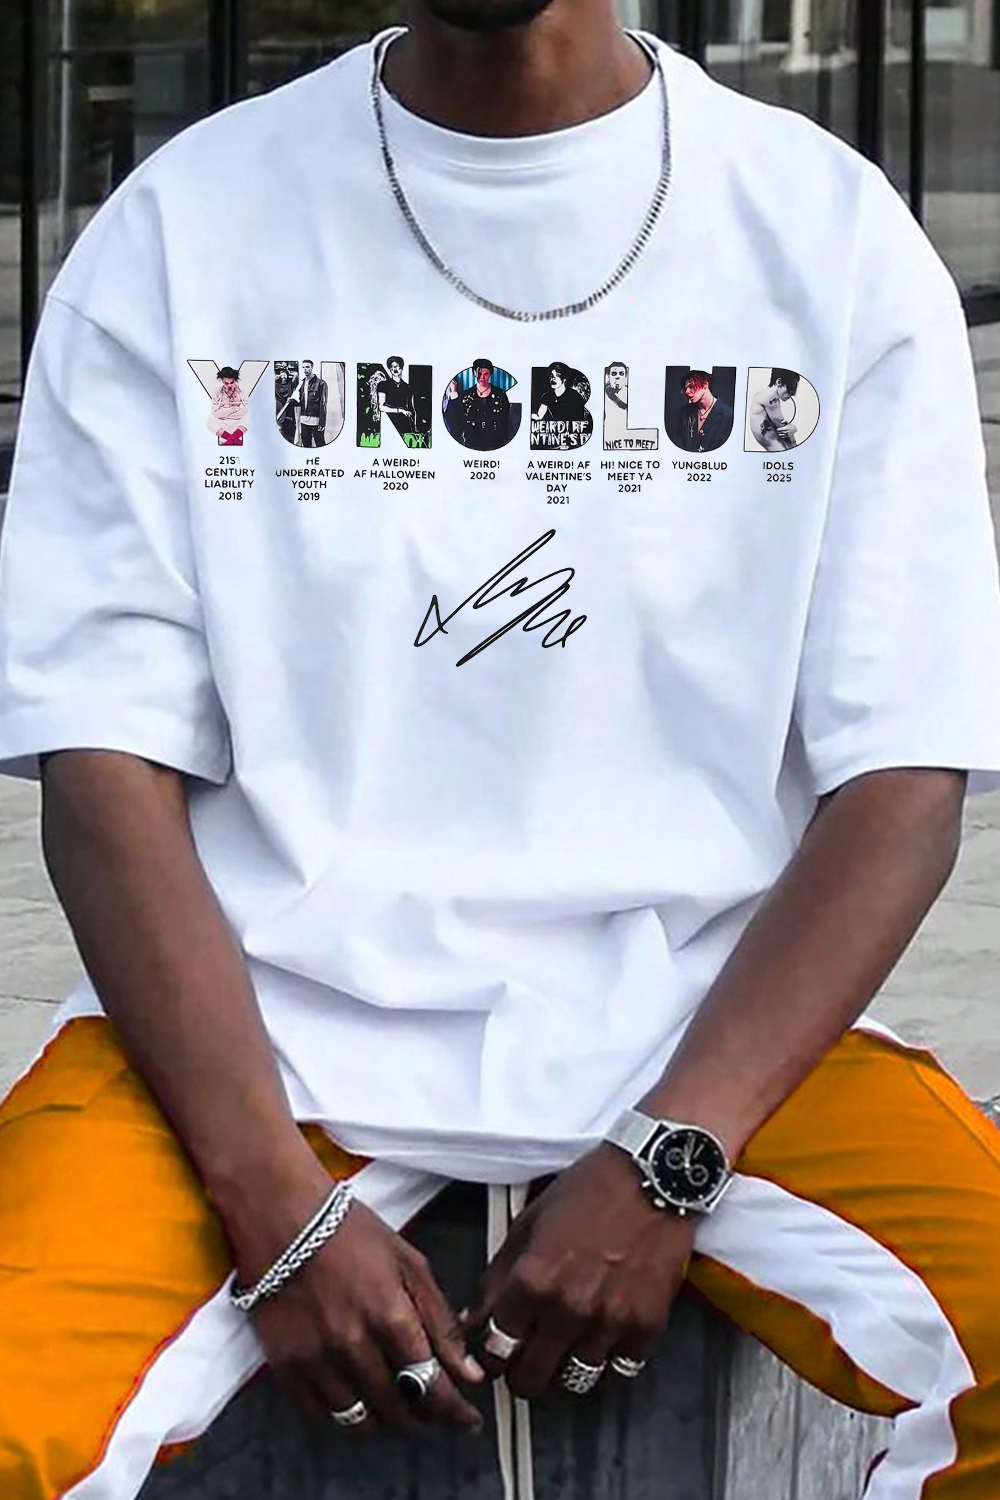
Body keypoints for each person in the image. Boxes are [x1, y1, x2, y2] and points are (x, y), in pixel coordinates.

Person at [0, 1, 999, 1497]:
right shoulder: (185, 228)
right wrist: (270, 1197)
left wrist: (673, 1152)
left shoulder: (823, 232)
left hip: (700, 1022)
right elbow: (104, 768)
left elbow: (903, 778)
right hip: (261, 1027)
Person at [444, 357, 512, 450]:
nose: (482, 377)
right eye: (479, 374)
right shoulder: (466, 395)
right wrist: (454, 392)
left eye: (486, 374)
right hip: (471, 445)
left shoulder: (500, 395)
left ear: (490, 374)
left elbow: (506, 420)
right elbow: (454, 418)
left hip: (495, 444)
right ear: (474, 373)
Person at [677, 368, 732, 453]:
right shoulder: (685, 412)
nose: (687, 391)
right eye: (686, 388)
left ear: (705, 384)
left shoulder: (728, 415)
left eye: (691, 386)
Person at [749, 368, 800, 450]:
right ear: (779, 382)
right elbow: (784, 430)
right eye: (791, 387)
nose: (793, 394)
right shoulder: (771, 395)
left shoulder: (763, 394)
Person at [206, 364, 250, 445]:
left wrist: (224, 411)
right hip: (222, 421)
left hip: (238, 421)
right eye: (226, 383)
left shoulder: (242, 391)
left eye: (232, 382)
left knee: (247, 417)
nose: (229, 385)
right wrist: (235, 409)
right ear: (222, 382)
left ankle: (230, 441)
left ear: (235, 381)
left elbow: (244, 411)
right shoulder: (217, 392)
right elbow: (216, 413)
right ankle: (234, 439)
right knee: (210, 422)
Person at [297, 358, 328, 447]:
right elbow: (300, 401)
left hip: (315, 420)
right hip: (304, 420)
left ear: (312, 367)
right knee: (306, 445)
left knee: (320, 444)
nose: (305, 369)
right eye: (303, 367)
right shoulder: (302, 383)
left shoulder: (321, 383)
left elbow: (323, 403)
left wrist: (322, 422)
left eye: (307, 367)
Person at [275, 361, 299, 444]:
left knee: (290, 425)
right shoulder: (276, 385)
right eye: (282, 375)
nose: (283, 377)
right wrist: (278, 375)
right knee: (281, 425)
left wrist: (287, 371)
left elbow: (296, 374)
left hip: (289, 406)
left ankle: (291, 441)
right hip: (280, 408)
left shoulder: (290, 383)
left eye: (285, 375)